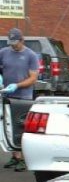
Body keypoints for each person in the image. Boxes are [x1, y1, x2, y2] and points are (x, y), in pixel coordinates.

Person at [0, 28, 39, 172]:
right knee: (8, 127)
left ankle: (23, 158)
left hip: (23, 97)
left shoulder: (30, 55)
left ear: (22, 40)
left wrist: (16, 85)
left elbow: (33, 78)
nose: (13, 45)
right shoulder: (4, 52)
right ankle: (15, 157)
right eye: (11, 42)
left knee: (21, 127)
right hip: (7, 96)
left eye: (15, 42)